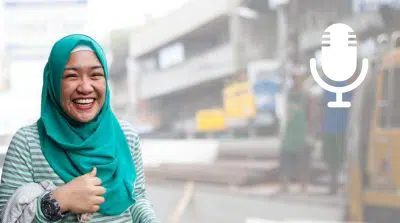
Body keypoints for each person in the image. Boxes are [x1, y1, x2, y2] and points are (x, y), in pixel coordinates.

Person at [0, 34, 159, 222]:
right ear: (53, 83)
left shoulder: (126, 136)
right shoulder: (27, 143)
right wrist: (60, 200)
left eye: (95, 75)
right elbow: (8, 218)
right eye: (71, 76)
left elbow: (136, 199)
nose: (85, 87)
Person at [320, 78, 353, 195]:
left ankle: (339, 186)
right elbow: (323, 107)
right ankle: (333, 186)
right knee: (331, 159)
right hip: (329, 128)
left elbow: (351, 106)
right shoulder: (327, 87)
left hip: (341, 128)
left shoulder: (346, 86)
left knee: (340, 159)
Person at [279, 73, 309, 193]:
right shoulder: (288, 95)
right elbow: (284, 114)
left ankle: (303, 186)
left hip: (301, 133)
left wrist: (310, 133)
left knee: (302, 161)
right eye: (294, 79)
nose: (296, 82)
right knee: (286, 160)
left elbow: (312, 115)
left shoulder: (306, 96)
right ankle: (284, 185)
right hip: (289, 133)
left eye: (298, 79)